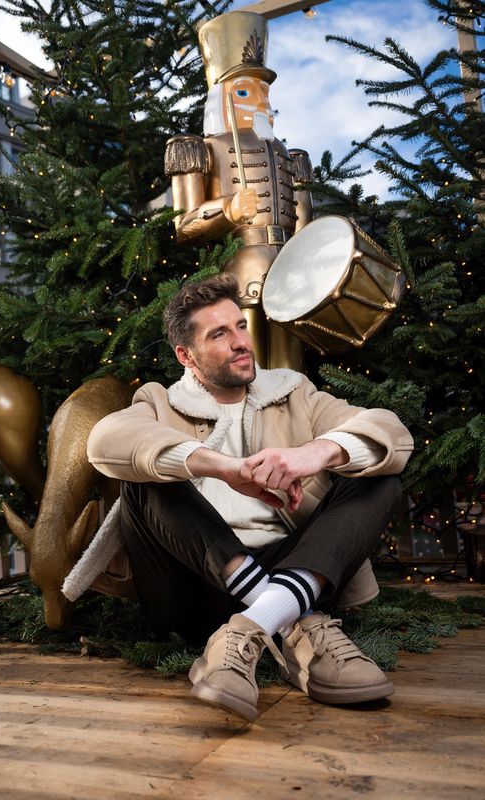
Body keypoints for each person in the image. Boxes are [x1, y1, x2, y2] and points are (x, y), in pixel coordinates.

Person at [84, 274, 413, 722]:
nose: (241, 342)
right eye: (219, 334)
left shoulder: (294, 392)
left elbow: (390, 430)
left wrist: (311, 454)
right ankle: (297, 624)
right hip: (195, 585)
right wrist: (224, 467)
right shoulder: (158, 400)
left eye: (241, 326)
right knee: (143, 478)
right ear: (186, 355)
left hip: (293, 566)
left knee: (377, 471)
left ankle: (251, 627)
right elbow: (104, 441)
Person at [165, 10, 313, 369]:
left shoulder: (286, 153)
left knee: (292, 370)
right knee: (249, 364)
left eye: (263, 92)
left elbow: (303, 222)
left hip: (289, 269)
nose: (261, 102)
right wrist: (228, 210)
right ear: (221, 98)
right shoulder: (199, 148)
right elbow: (183, 225)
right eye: (246, 91)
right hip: (239, 272)